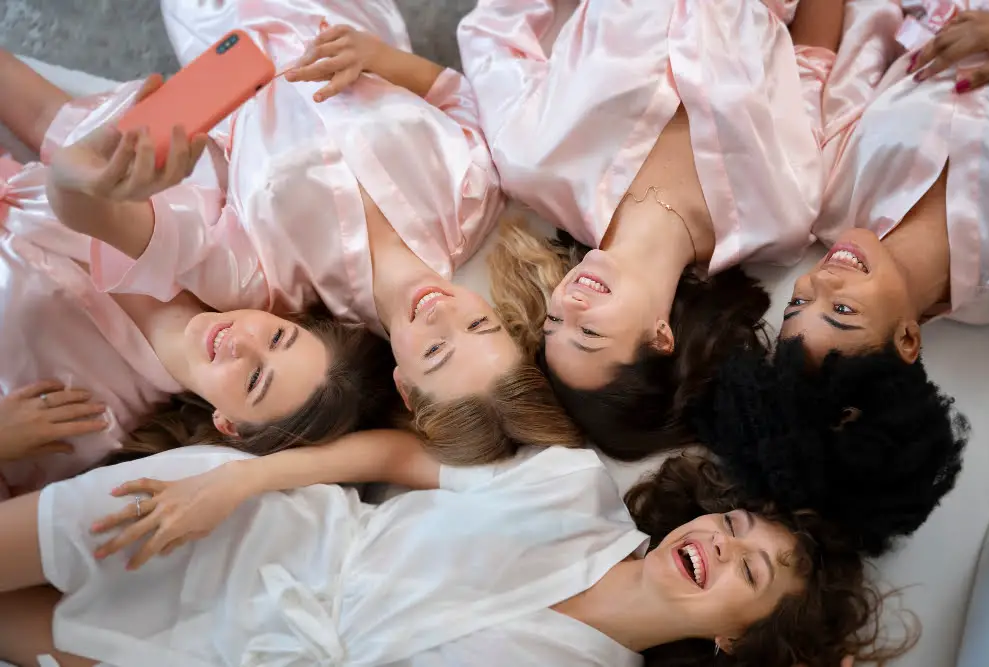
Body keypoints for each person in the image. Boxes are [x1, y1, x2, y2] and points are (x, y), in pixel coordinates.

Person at [44, 0, 581, 466]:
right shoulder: (475, 201)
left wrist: (78, 181)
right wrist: (379, 58)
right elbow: (454, 95)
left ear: (406, 387)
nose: (443, 313)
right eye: (479, 325)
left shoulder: (270, 287)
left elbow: (122, 228)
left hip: (221, 24)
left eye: (437, 349)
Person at [0, 431, 908, 667]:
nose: (719, 538)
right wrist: (240, 481)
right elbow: (398, 456)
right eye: (738, 523)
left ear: (738, 641)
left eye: (749, 570)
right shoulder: (573, 486)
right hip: (254, 534)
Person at [464, 0, 844, 460]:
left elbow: (493, 34)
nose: (569, 303)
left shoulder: (535, 168)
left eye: (555, 322)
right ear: (660, 337)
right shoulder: (781, 218)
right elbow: (811, 64)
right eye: (588, 334)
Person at [691, 1, 983, 556]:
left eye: (794, 310)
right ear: (907, 339)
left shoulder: (825, 194)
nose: (815, 285)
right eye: (842, 314)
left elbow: (823, 49)